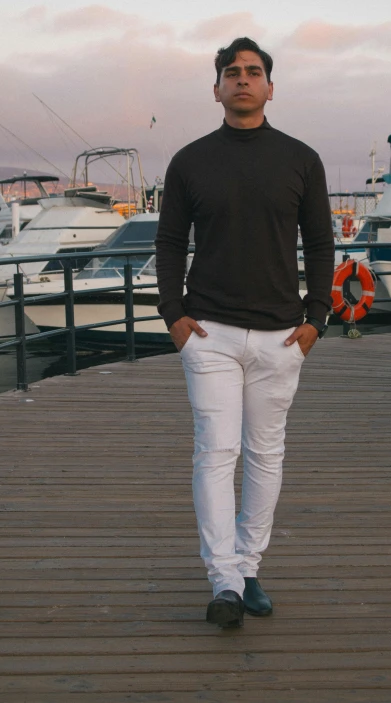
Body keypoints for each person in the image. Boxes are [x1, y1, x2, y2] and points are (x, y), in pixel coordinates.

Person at [155, 37, 334, 628]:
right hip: (210, 334)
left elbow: (321, 242)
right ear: (217, 89)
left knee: (264, 453)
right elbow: (170, 242)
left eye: (253, 72)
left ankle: (250, 566)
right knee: (216, 450)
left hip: (284, 337)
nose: (243, 80)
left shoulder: (301, 159)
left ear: (270, 87)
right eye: (232, 73)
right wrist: (174, 315)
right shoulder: (189, 161)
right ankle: (224, 582)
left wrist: (317, 318)